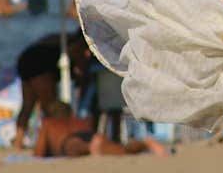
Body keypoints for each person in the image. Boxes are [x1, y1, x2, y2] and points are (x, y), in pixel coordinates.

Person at [13, 30, 93, 149]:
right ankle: (49, 141)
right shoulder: (77, 43)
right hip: (40, 65)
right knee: (51, 108)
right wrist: (83, 73)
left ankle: (18, 142)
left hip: (26, 60)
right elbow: (78, 61)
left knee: (27, 105)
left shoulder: (64, 39)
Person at [33, 101, 167, 158]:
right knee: (122, 150)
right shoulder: (77, 120)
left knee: (73, 146)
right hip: (93, 136)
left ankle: (88, 147)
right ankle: (145, 143)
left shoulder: (48, 123)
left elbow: (38, 153)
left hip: (72, 142)